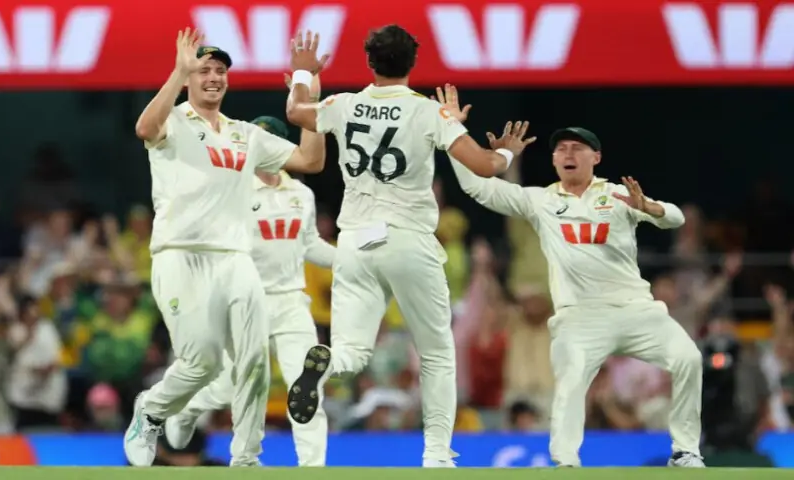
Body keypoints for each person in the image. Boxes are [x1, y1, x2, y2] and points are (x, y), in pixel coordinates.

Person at [282, 26, 532, 467]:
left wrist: (303, 74)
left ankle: (326, 362)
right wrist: (508, 152)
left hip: (355, 241)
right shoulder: (428, 112)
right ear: (411, 63)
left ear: (369, 62)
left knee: (354, 352)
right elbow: (484, 165)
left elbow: (296, 111)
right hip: (408, 238)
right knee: (436, 351)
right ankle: (437, 455)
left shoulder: (344, 104)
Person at [437, 86, 704, 468]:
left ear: (596, 157)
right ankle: (565, 464)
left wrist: (651, 207)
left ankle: (685, 451)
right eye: (561, 149)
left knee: (689, 359)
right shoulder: (541, 201)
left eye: (577, 148)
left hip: (635, 310)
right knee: (571, 381)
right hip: (579, 316)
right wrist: (452, 132)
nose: (568, 154)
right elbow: (478, 188)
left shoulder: (617, 195)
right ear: (553, 159)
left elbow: (675, 218)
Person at [125, 28, 326, 467]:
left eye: (220, 71)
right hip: (179, 254)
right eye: (204, 70)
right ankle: (152, 409)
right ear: (189, 79)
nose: (213, 77)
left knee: (252, 362)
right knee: (201, 363)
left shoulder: (245, 135)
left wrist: (310, 94)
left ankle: (246, 458)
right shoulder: (173, 120)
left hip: (235, 260)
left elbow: (311, 161)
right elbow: (144, 127)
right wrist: (177, 75)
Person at [163, 115, 333, 466]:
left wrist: (351, 260)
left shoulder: (301, 193)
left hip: (291, 302)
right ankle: (188, 408)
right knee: (228, 386)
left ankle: (313, 468)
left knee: (307, 388)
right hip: (244, 302)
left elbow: (311, 244)